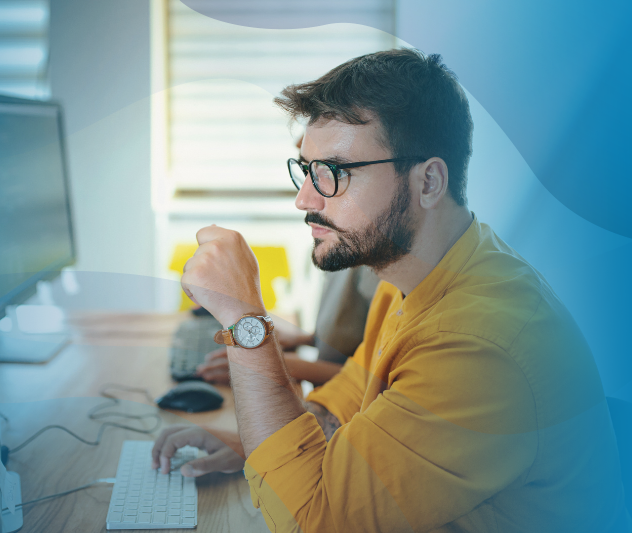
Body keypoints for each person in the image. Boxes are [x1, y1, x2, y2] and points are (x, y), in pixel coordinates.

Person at [152, 49, 630, 532]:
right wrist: (253, 444)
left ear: (428, 181)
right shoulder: (413, 270)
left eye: (334, 173)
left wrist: (245, 322)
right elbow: (346, 400)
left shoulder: (478, 346)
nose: (305, 199)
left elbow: (312, 523)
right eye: (306, 169)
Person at [195, 265, 379, 386]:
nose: (302, 204)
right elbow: (356, 327)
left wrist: (271, 365)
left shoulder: (385, 273)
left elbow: (376, 382)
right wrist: (304, 339)